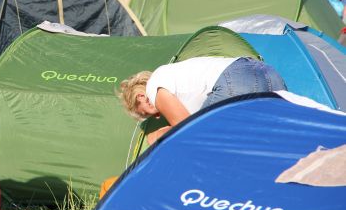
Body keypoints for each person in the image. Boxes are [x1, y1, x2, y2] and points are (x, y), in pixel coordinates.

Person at [119, 57, 287, 145]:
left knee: (203, 141)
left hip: (235, 81)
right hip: (269, 73)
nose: (157, 117)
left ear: (142, 98)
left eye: (148, 114)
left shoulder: (154, 88)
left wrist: (156, 135)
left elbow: (187, 130)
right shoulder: (173, 73)